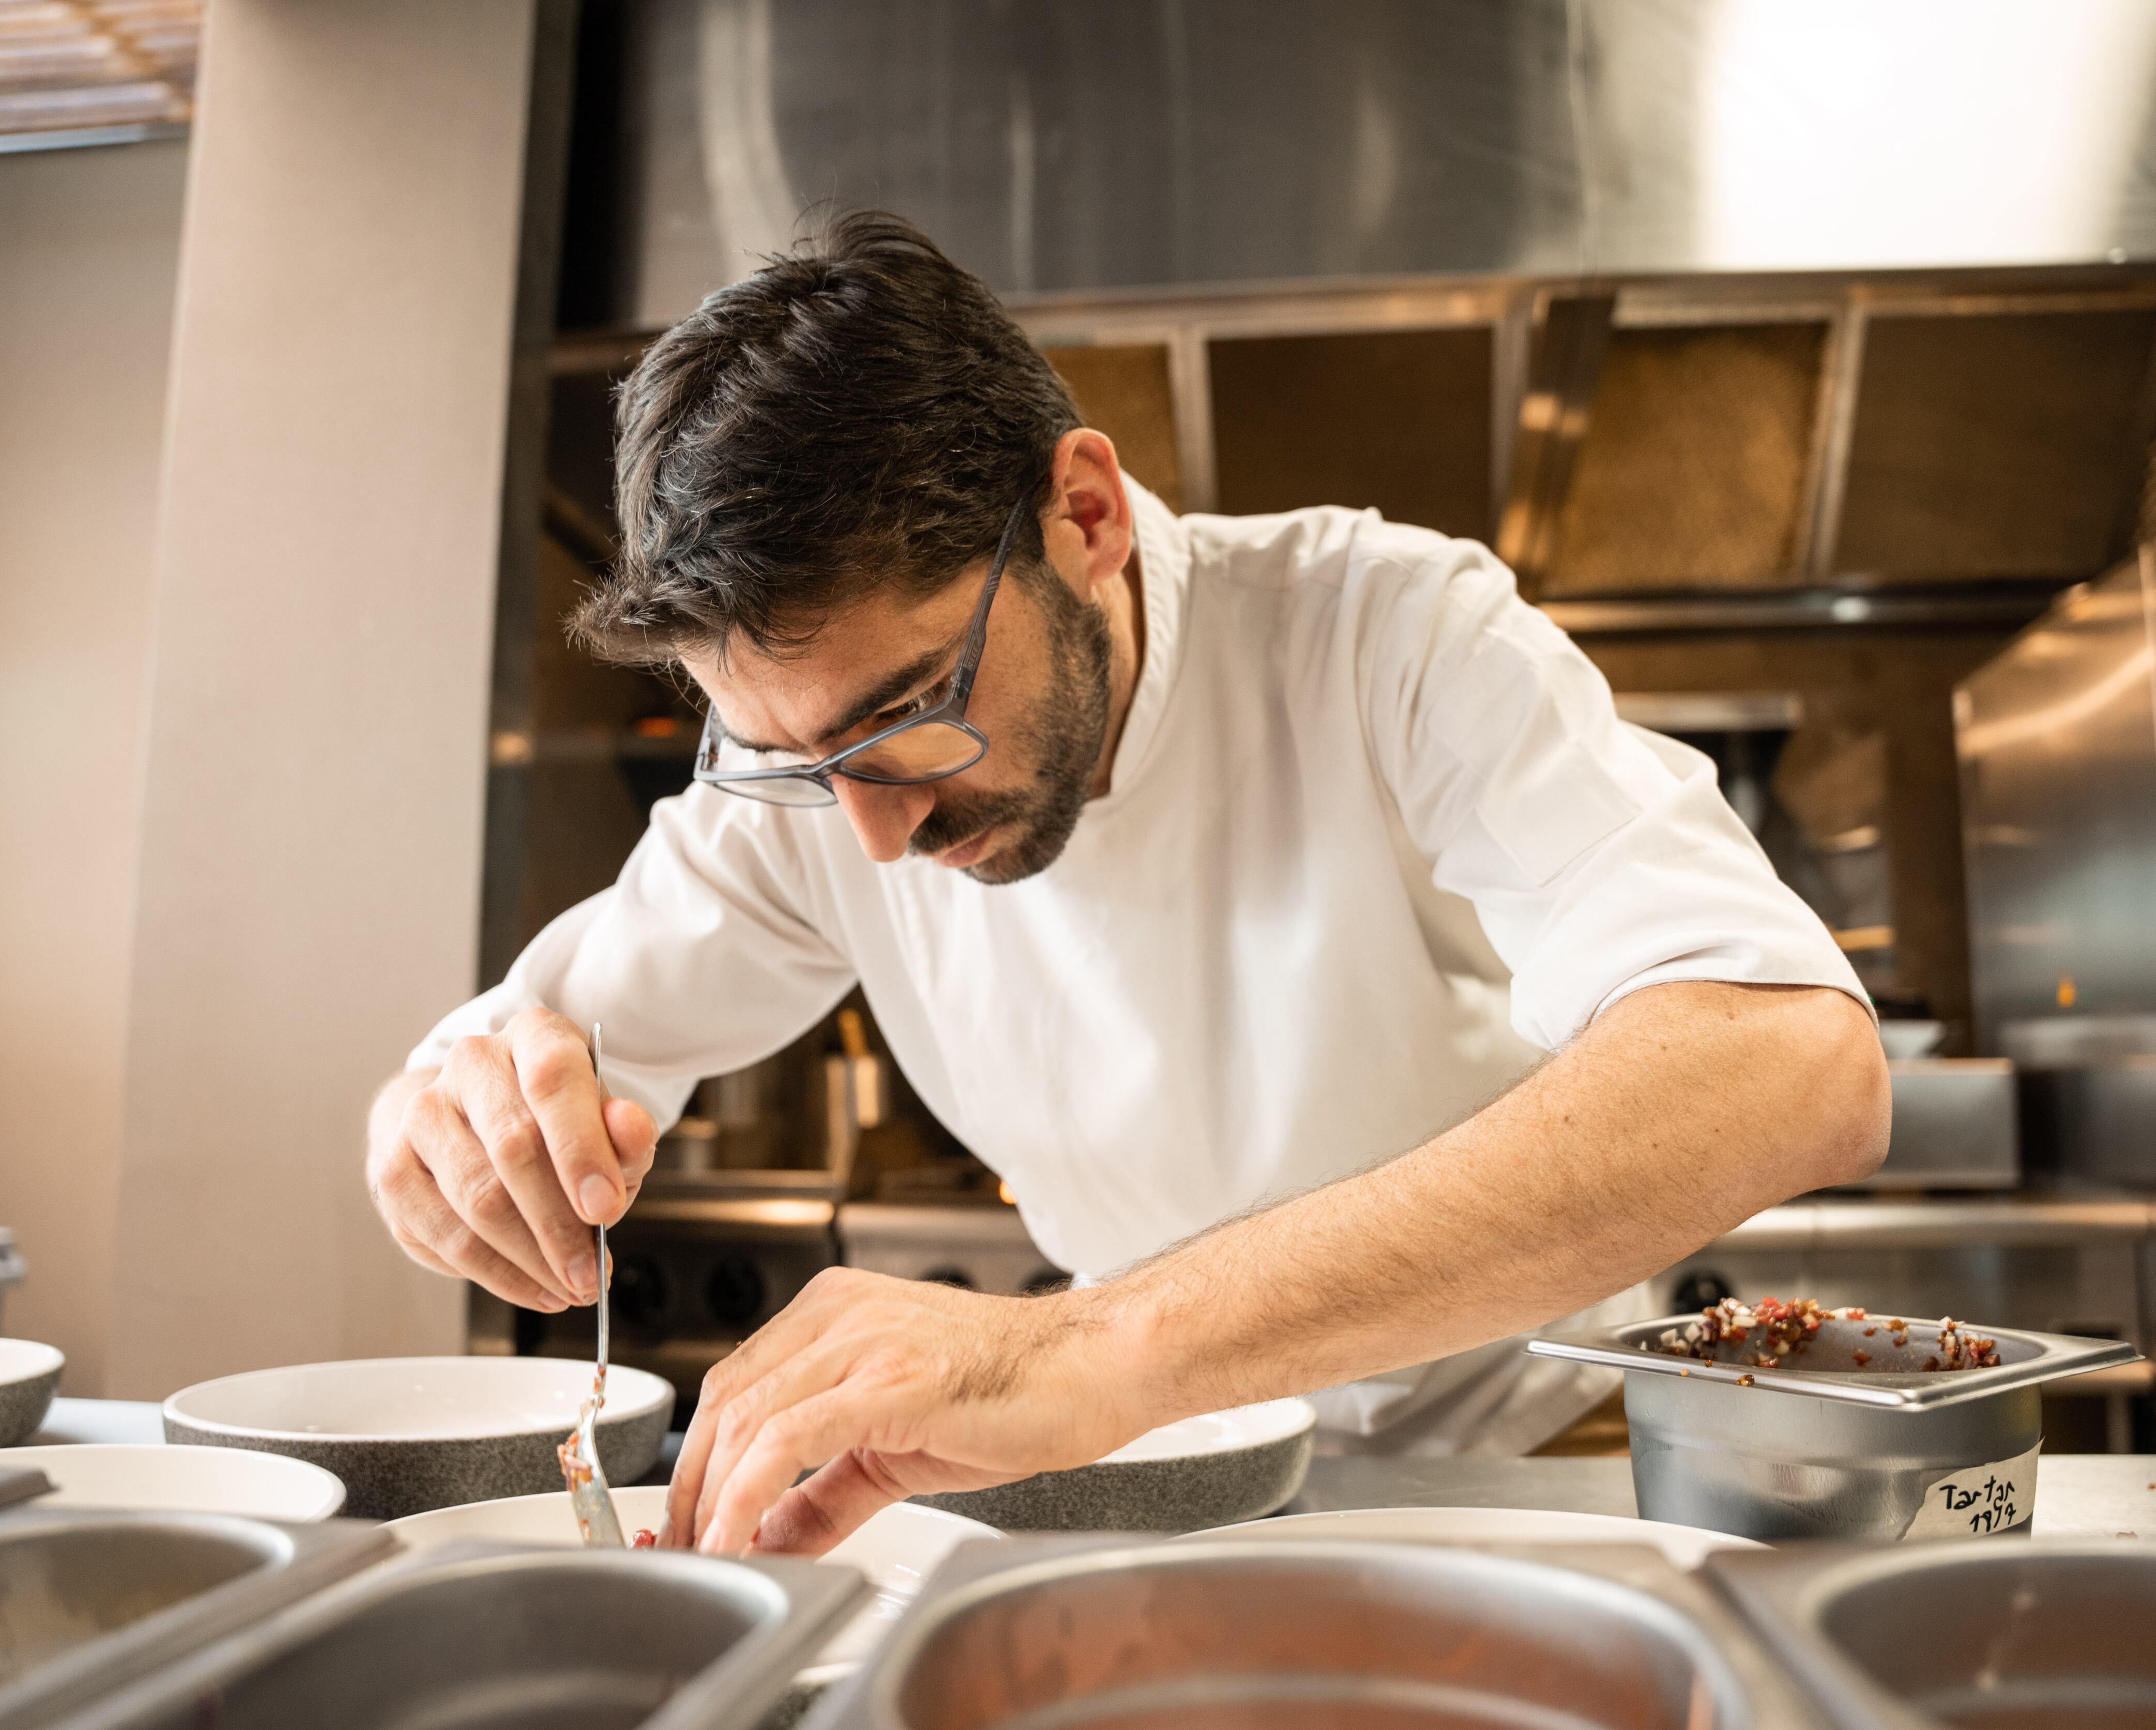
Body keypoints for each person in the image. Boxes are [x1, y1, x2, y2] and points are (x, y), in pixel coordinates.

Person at [366, 211, 1887, 1556]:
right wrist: (449, 1122)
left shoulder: (1386, 635)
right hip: (1153, 1484)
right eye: (795, 760)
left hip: (1525, 1453)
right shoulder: (812, 787)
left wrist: (1090, 1345)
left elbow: (1791, 1059)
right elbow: (534, 1050)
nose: (873, 836)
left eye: (909, 719)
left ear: (1083, 516)